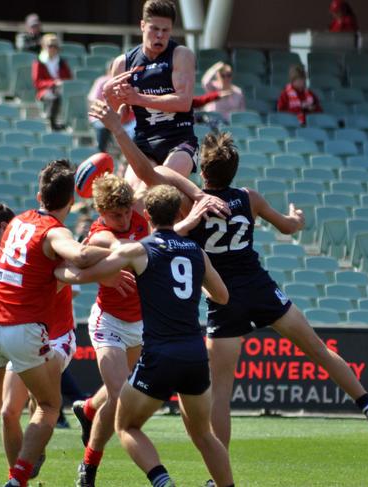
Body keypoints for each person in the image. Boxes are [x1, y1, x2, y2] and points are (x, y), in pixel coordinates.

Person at [178, 132, 368, 455]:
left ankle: (218, 473)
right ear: (234, 170)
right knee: (319, 351)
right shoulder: (248, 197)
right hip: (260, 287)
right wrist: (296, 218)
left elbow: (172, 230)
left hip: (221, 296)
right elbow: (286, 227)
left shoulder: (192, 204)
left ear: (203, 172)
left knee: (222, 391)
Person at [56, 184, 235, 487]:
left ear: (146, 215)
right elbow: (222, 296)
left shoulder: (139, 249)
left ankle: (162, 481)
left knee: (125, 424)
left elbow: (84, 267)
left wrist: (57, 273)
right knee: (204, 434)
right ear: (177, 212)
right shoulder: (196, 252)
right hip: (193, 354)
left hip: (159, 353)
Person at [0, 160, 118, 487]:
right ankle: (17, 478)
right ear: (71, 202)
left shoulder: (18, 221)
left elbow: (60, 272)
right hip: (24, 329)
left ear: (38, 193)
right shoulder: (55, 232)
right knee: (47, 406)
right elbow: (76, 257)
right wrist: (118, 249)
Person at [72, 174, 149, 486]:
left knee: (121, 388)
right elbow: (113, 250)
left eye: (128, 211)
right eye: (116, 215)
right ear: (101, 212)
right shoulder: (101, 234)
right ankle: (89, 468)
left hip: (141, 324)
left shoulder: (139, 213)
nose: (125, 218)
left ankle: (89, 408)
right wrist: (105, 274)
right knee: (120, 395)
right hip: (109, 322)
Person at [103, 0, 198, 187]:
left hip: (178, 139)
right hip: (145, 141)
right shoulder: (123, 63)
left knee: (159, 191)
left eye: (166, 30)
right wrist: (109, 96)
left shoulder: (181, 55)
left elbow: (184, 102)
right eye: (155, 29)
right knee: (134, 198)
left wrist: (139, 98)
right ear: (142, 25)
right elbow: (121, 115)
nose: (160, 35)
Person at [88, 63, 135, 152]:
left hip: (126, 120)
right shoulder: (102, 81)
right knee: (102, 128)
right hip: (104, 116)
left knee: (136, 131)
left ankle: (126, 160)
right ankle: (101, 154)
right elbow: (94, 100)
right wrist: (107, 111)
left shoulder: (127, 82)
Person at [32, 33, 73, 131]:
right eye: (50, 46)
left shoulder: (62, 62)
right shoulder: (39, 62)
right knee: (54, 97)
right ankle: (52, 123)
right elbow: (38, 82)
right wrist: (53, 83)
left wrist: (61, 83)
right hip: (46, 91)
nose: (53, 49)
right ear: (44, 46)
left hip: (61, 90)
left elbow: (69, 78)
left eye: (55, 46)